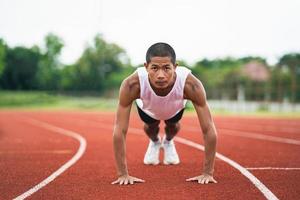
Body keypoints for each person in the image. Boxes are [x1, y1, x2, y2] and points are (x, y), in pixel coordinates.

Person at [112, 42, 217, 185]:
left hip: (174, 109)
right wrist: (123, 174)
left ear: (175, 67)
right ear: (146, 67)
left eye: (167, 68)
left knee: (173, 127)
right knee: (151, 128)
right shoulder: (132, 84)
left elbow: (209, 128)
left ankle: (167, 142)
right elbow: (120, 129)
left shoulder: (191, 85)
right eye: (154, 68)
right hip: (147, 109)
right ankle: (155, 142)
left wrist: (207, 173)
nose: (160, 75)